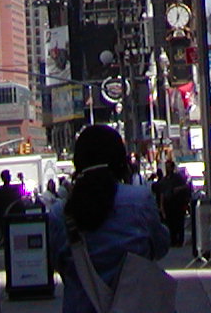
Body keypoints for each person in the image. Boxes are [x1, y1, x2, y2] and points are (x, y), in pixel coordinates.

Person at [47, 124, 169, 313]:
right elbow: (160, 247)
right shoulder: (139, 201)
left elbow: (57, 263)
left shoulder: (59, 214)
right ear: (120, 162)